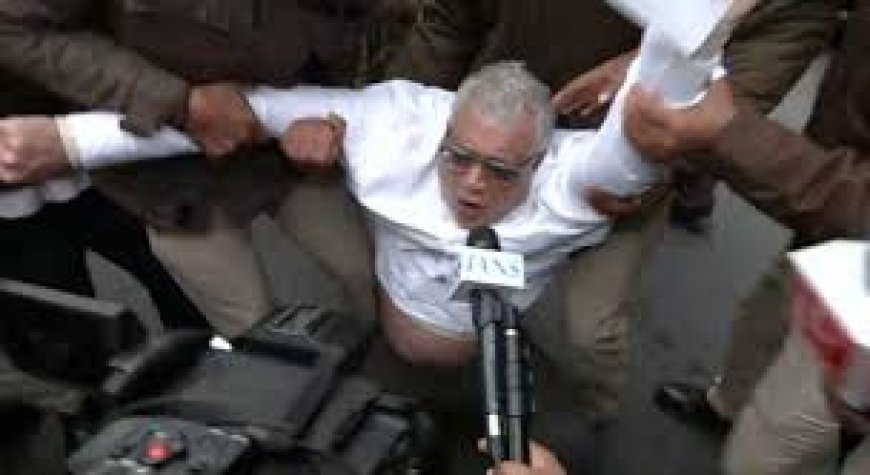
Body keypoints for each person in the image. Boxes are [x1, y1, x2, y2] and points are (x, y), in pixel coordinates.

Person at [383, 0, 839, 421]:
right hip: (498, 129)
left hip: (629, 173)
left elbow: (739, 101)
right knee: (433, 271)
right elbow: (450, 23)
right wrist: (404, 121)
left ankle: (590, 416)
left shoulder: (794, 7)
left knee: (591, 332)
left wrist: (662, 140)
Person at [0, 0, 376, 337]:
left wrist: (338, 110)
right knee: (254, 331)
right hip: (166, 177)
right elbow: (14, 27)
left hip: (289, 142)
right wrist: (176, 102)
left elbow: (376, 27)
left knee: (368, 275)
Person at [623, 0, 870, 469]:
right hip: (828, 224)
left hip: (861, 279)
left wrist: (729, 133)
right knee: (768, 314)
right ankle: (727, 404)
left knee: (766, 446)